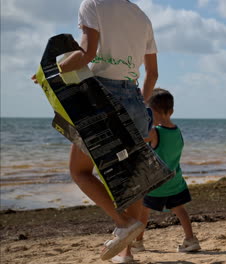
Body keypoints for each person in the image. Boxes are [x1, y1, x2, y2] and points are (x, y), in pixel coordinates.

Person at [32, 0, 158, 262]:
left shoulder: (92, 4)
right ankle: (126, 253)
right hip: (134, 98)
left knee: (79, 171)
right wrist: (142, 107)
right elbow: (152, 74)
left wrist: (49, 73)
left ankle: (122, 222)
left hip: (99, 97)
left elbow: (87, 55)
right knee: (131, 179)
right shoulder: (141, 16)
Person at [130, 88, 201, 255]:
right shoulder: (177, 131)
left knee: (143, 212)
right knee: (180, 210)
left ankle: (138, 242)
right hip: (175, 181)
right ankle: (191, 240)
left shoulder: (155, 132)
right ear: (172, 111)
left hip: (156, 183)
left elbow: (138, 141)